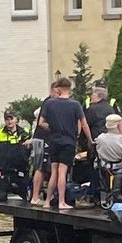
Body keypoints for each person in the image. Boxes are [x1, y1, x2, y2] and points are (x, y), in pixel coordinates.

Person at [37, 76, 92, 211]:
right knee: (63, 172)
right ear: (69, 88)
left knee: (54, 171)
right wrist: (90, 140)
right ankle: (61, 201)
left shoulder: (50, 103)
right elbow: (84, 125)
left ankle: (47, 201)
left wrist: (52, 128)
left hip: (54, 141)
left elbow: (41, 123)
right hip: (68, 142)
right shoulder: (75, 104)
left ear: (59, 88)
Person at [0, 110, 31, 203]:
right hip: (4, 173)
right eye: (7, 119)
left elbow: (32, 152)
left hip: (21, 173)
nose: (9, 121)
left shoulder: (25, 134)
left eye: (11, 118)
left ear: (16, 119)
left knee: (27, 199)